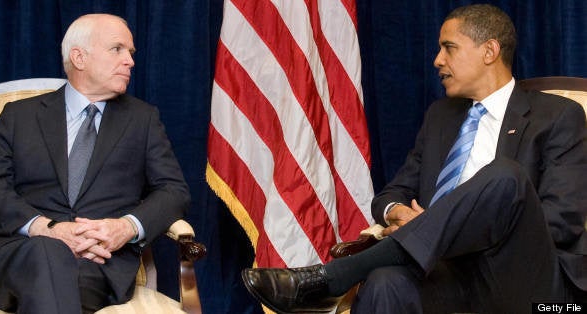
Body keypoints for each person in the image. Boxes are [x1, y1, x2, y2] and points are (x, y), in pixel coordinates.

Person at [241, 4, 587, 313]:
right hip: (449, 276)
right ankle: (339, 279)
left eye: (449, 48)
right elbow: (390, 196)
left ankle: (331, 279)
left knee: (505, 176)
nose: (438, 59)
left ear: (489, 51)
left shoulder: (558, 116)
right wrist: (399, 213)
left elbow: (560, 221)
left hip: (529, 282)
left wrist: (439, 227)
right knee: (385, 283)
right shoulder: (441, 117)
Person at [0, 14, 190, 314]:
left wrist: (125, 227)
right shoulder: (18, 117)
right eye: (117, 49)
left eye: (131, 53)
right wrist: (45, 228)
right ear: (79, 57)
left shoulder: (143, 120)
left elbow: (174, 192)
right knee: (46, 255)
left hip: (96, 266)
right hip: (17, 256)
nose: (130, 62)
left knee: (55, 274)